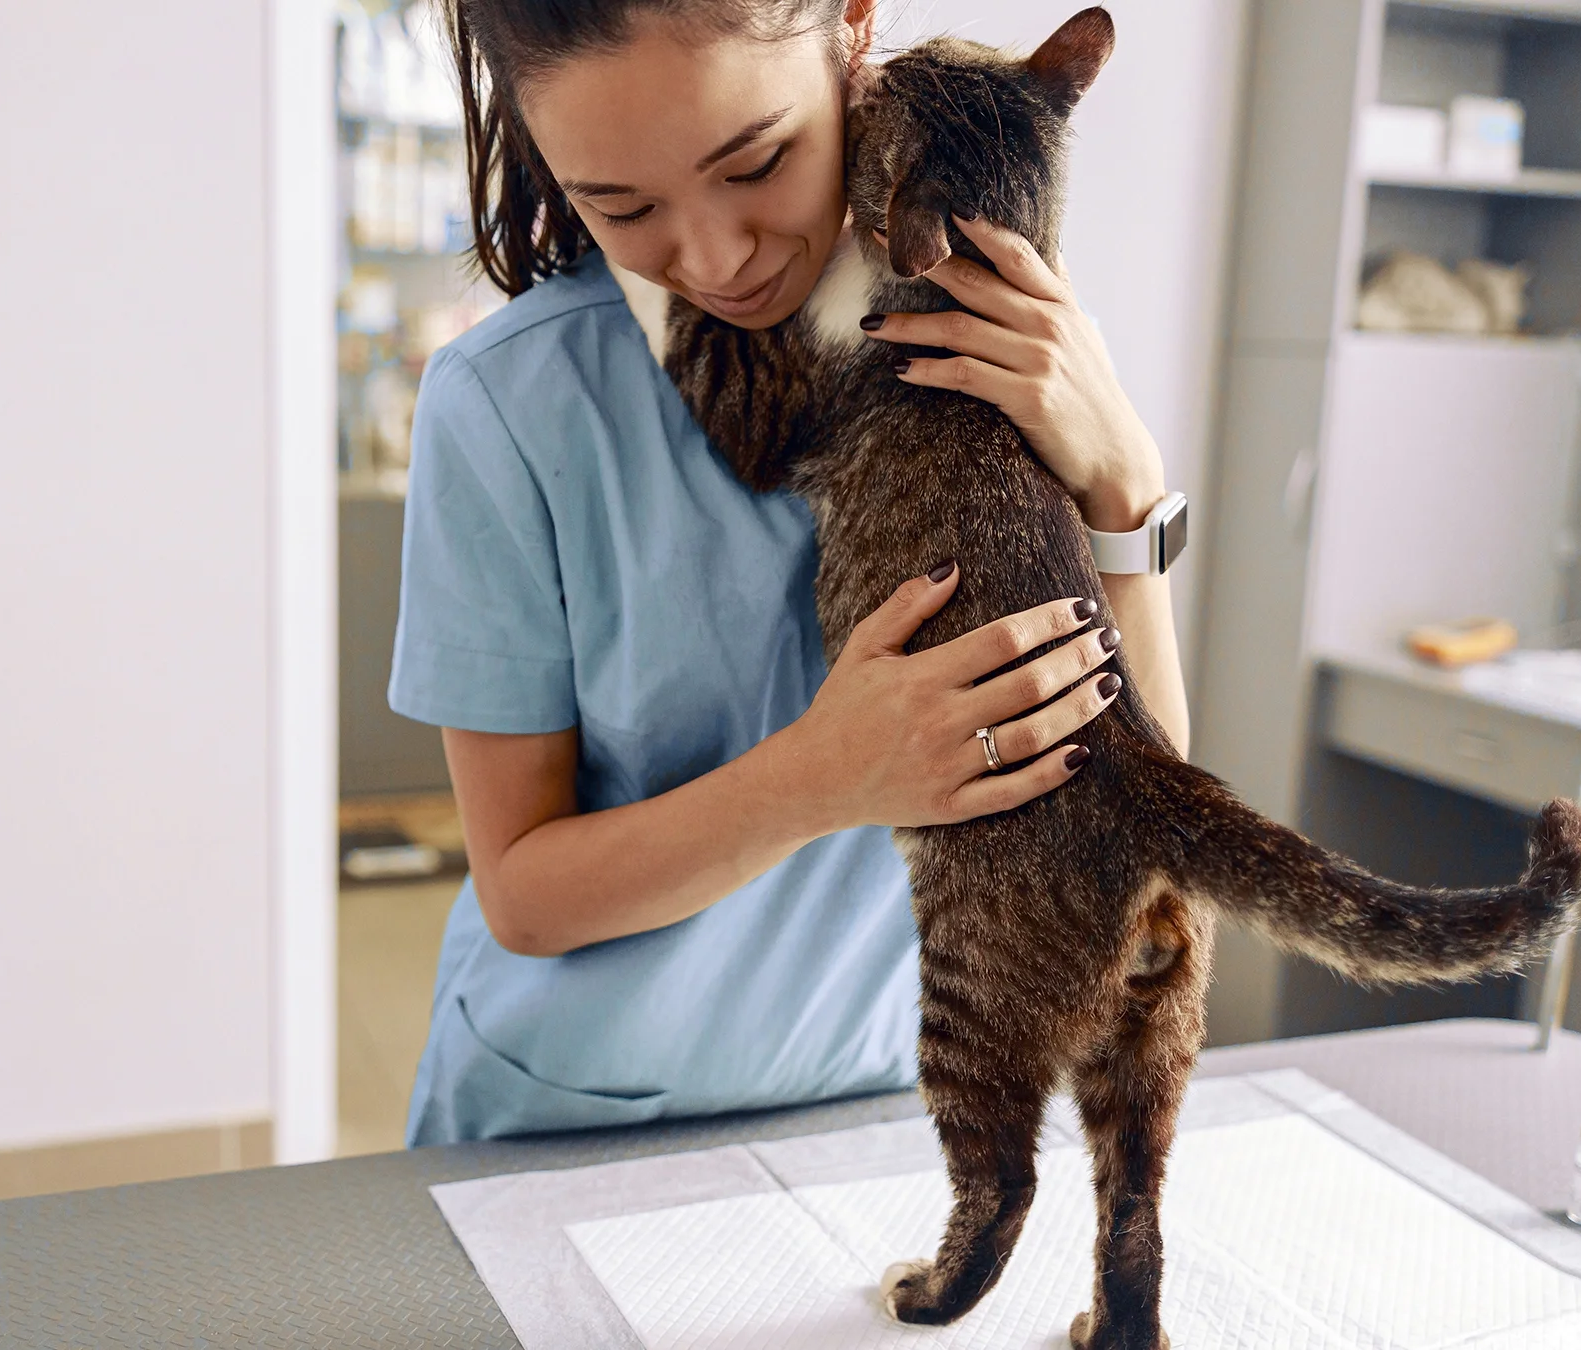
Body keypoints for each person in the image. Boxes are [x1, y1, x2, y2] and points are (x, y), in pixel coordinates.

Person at [388, 0, 1187, 1144]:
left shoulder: (1012, 345)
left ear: (853, 25)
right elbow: (522, 894)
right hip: (567, 1121)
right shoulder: (511, 406)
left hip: (876, 1116)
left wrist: (1126, 483)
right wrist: (827, 775)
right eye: (620, 205)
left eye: (757, 164)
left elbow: (1141, 798)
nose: (714, 257)